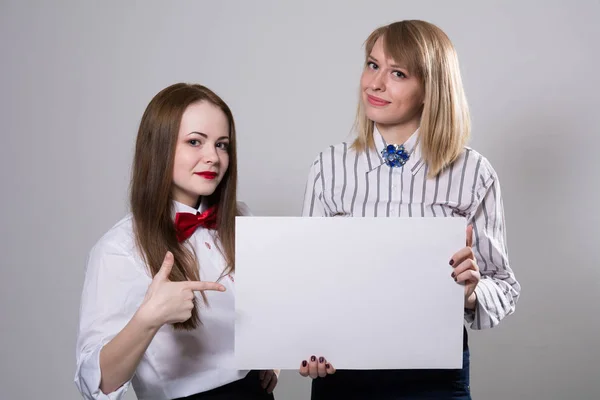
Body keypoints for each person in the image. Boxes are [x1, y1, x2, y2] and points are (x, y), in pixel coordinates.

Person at [298, 20, 521, 399]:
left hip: (434, 378)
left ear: (430, 90)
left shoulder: (473, 173)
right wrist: (309, 343)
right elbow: (306, 283)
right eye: (372, 65)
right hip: (344, 374)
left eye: (397, 73)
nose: (375, 83)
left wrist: (470, 294)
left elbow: (504, 288)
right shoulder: (329, 168)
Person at [74, 83, 278, 400]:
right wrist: (148, 318)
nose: (213, 157)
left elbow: (265, 308)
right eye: (195, 142)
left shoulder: (242, 220)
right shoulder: (119, 249)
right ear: (160, 147)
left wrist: (270, 356)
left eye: (222, 145)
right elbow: (97, 385)